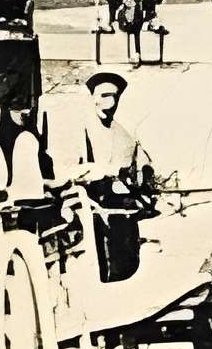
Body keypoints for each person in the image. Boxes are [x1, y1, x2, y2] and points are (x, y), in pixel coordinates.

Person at [65, 69, 155, 282]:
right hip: (94, 212)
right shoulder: (80, 129)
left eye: (115, 96)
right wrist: (101, 172)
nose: (110, 102)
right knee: (101, 268)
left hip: (124, 214)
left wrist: (144, 174)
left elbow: (142, 165)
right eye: (104, 96)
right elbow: (69, 171)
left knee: (127, 266)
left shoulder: (124, 133)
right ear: (93, 98)